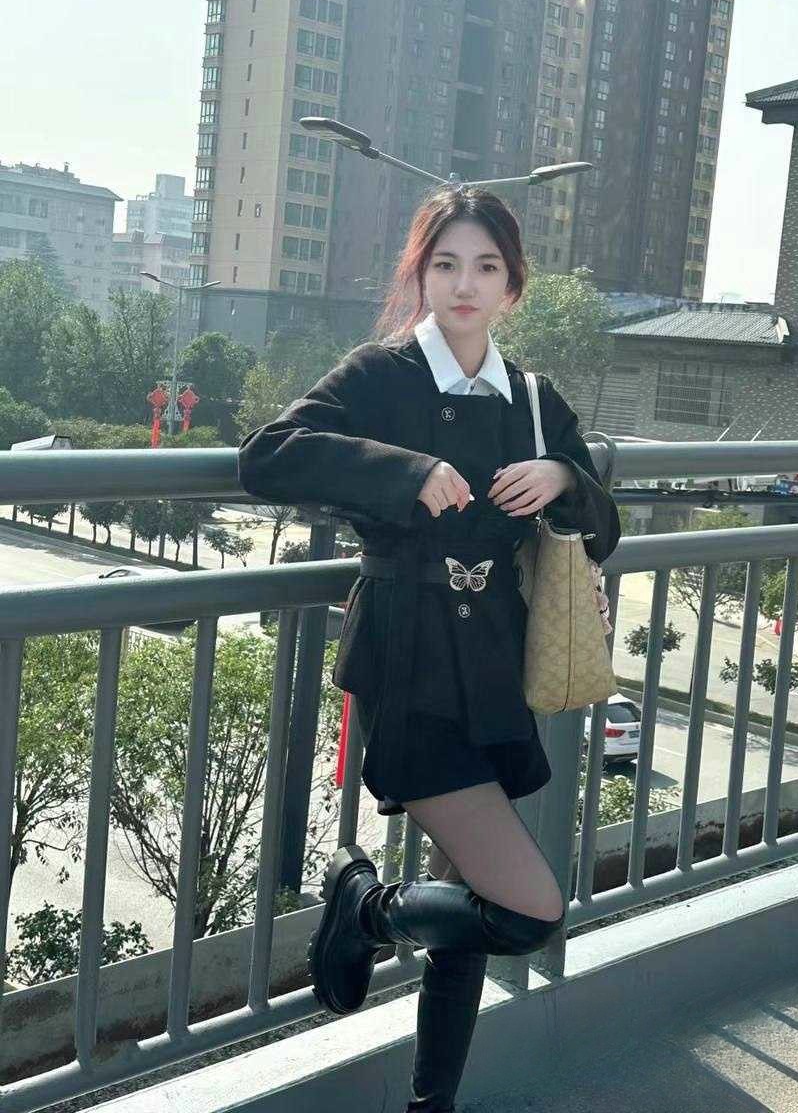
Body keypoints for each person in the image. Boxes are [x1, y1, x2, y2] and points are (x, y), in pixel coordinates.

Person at [236, 184, 621, 1112]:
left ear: (512, 286)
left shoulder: (531, 398)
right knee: (526, 911)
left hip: (495, 668)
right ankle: (364, 905)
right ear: (421, 274)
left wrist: (563, 476)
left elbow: (603, 527)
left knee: (469, 914)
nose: (464, 285)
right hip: (409, 659)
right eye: (446, 264)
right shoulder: (384, 375)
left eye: (486, 267)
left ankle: (428, 1104)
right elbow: (268, 453)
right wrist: (405, 472)